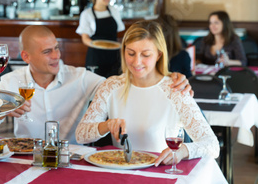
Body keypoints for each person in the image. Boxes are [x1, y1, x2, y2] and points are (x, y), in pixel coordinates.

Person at [0, 25, 192, 144]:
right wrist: (2, 111)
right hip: (27, 157)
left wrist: (170, 77)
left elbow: (122, 84)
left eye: (56, 48)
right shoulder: (11, 81)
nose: (56, 56)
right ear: (26, 56)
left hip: (72, 160)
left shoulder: (80, 78)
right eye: (47, 51)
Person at [76, 20, 219, 166]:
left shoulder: (175, 89)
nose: (137, 62)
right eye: (131, 53)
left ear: (158, 55)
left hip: (161, 173)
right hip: (120, 171)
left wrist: (182, 151)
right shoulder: (111, 85)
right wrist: (106, 125)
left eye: (145, 55)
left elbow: (212, 145)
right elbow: (81, 135)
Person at [76, 0, 125, 77]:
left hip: (114, 57)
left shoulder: (114, 11)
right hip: (96, 57)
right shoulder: (87, 14)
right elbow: (85, 38)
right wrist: (100, 45)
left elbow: (119, 33)